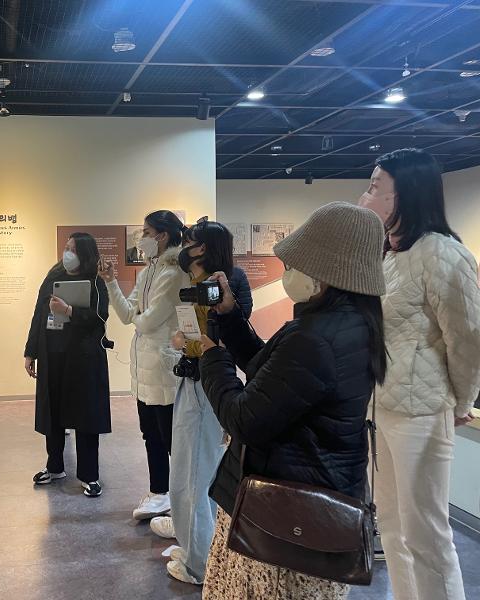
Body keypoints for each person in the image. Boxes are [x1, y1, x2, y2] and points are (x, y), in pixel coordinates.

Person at [198, 202, 387, 600]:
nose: (286, 273)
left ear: (324, 275)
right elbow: (277, 380)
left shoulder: (314, 338)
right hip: (313, 505)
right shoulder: (350, 325)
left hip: (280, 517)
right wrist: (231, 318)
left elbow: (244, 418)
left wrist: (210, 357)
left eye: (295, 265)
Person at [358, 148, 480, 600]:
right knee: (392, 525)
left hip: (422, 410)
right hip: (385, 404)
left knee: (427, 531)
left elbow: (467, 339)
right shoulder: (390, 255)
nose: (367, 194)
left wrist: (463, 401)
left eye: (375, 186)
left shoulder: (444, 254)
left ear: (404, 195)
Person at [150, 219, 253, 585]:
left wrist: (184, 343)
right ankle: (193, 545)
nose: (183, 247)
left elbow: (216, 344)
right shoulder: (201, 283)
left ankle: (198, 563)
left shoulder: (222, 285)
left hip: (207, 386)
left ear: (202, 249)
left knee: (195, 474)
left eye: (190, 241)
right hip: (195, 382)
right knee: (187, 469)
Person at [99, 210, 188, 520]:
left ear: (162, 236)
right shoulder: (149, 269)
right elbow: (127, 316)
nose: (142, 238)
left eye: (147, 232)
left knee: (172, 438)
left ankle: (181, 499)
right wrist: (111, 283)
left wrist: (139, 318)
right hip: (144, 368)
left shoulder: (175, 271)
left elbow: (148, 322)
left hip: (164, 368)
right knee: (150, 434)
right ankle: (159, 491)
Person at [24, 233, 111, 497]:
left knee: (85, 415)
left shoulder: (96, 281)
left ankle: (89, 475)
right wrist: (30, 351)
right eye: (66, 247)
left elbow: (101, 316)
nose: (67, 253)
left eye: (73, 249)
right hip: (53, 354)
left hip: (83, 357)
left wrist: (70, 312)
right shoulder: (53, 275)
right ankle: (55, 466)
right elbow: (39, 313)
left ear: (85, 253)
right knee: (53, 412)